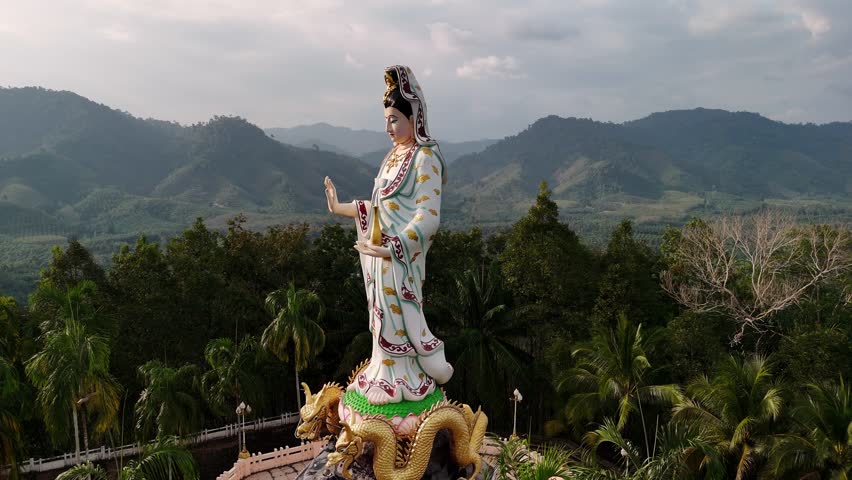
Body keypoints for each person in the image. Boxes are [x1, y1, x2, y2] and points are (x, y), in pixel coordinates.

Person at [323, 65, 453, 405]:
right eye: (386, 120)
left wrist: (393, 248)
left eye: (395, 119)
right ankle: (383, 372)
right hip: (379, 257)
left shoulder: (425, 158)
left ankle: (405, 379)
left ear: (415, 118)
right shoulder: (394, 156)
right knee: (379, 321)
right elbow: (379, 208)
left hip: (399, 260)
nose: (389, 128)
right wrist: (341, 207)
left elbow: (427, 218)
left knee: (397, 317)